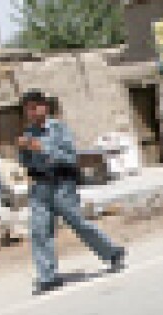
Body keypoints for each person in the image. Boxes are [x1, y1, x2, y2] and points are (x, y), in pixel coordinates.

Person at [17, 90, 126, 295]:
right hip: (40, 186)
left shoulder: (59, 129)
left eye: (34, 107)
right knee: (40, 231)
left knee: (78, 223)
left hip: (61, 185)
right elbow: (25, 162)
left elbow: (70, 157)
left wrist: (43, 148)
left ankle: (112, 252)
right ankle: (47, 276)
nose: (31, 113)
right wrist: (23, 150)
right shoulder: (28, 133)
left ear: (44, 107)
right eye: (27, 110)